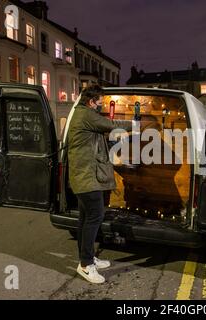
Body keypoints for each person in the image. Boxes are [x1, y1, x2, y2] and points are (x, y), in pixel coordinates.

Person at [68, 85, 134, 284]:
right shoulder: (86, 114)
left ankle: (87, 258)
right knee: (95, 216)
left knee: (85, 219)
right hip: (86, 178)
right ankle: (86, 265)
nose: (101, 105)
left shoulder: (82, 113)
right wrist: (135, 123)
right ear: (90, 102)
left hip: (84, 176)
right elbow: (112, 124)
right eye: (100, 102)